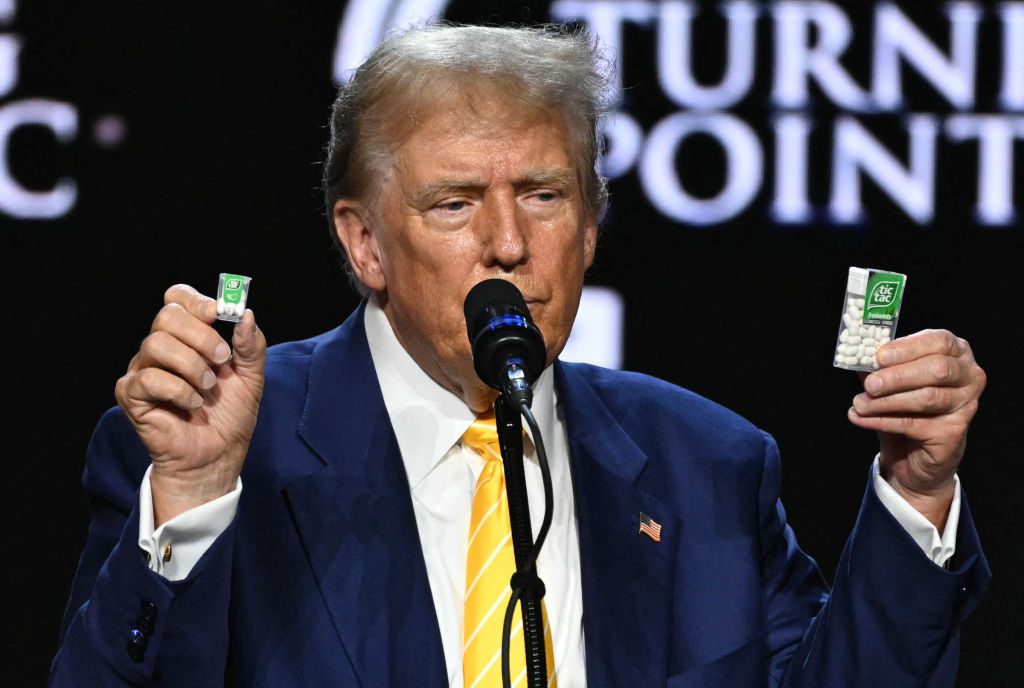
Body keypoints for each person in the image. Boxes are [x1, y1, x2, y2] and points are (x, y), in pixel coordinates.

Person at [51, 24, 989, 687]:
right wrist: (195, 497)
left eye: (543, 196)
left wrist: (915, 496)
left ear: (589, 230)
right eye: (455, 203)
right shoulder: (221, 453)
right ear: (364, 242)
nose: (508, 243)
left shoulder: (708, 463)